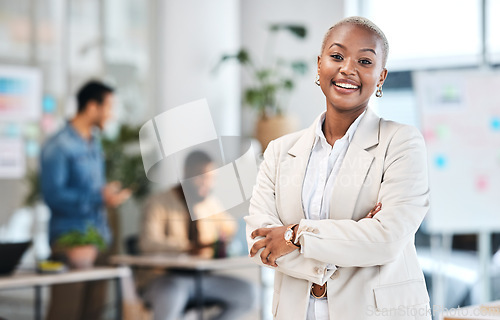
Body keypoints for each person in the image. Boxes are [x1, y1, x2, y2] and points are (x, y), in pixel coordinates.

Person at [245, 16, 431, 320]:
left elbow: (386, 240)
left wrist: (294, 235)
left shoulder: (401, 142)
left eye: (365, 61)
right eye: (336, 56)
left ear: (381, 77)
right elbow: (260, 242)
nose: (348, 69)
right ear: (319, 65)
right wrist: (353, 238)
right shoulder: (280, 151)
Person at [40, 80, 131, 320]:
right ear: (92, 107)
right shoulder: (58, 145)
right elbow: (53, 195)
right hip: (71, 240)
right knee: (66, 312)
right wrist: (97, 196)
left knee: (94, 312)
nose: (111, 115)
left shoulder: (94, 143)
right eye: (109, 108)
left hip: (99, 237)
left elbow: (92, 190)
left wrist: (106, 194)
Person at [139, 150, 256, 320]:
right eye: (202, 177)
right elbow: (148, 242)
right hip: (165, 278)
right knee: (172, 293)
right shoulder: (159, 202)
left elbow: (230, 228)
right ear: (187, 172)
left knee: (248, 294)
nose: (207, 184)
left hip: (201, 278)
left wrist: (219, 240)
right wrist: (188, 247)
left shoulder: (208, 203)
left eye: (211, 178)